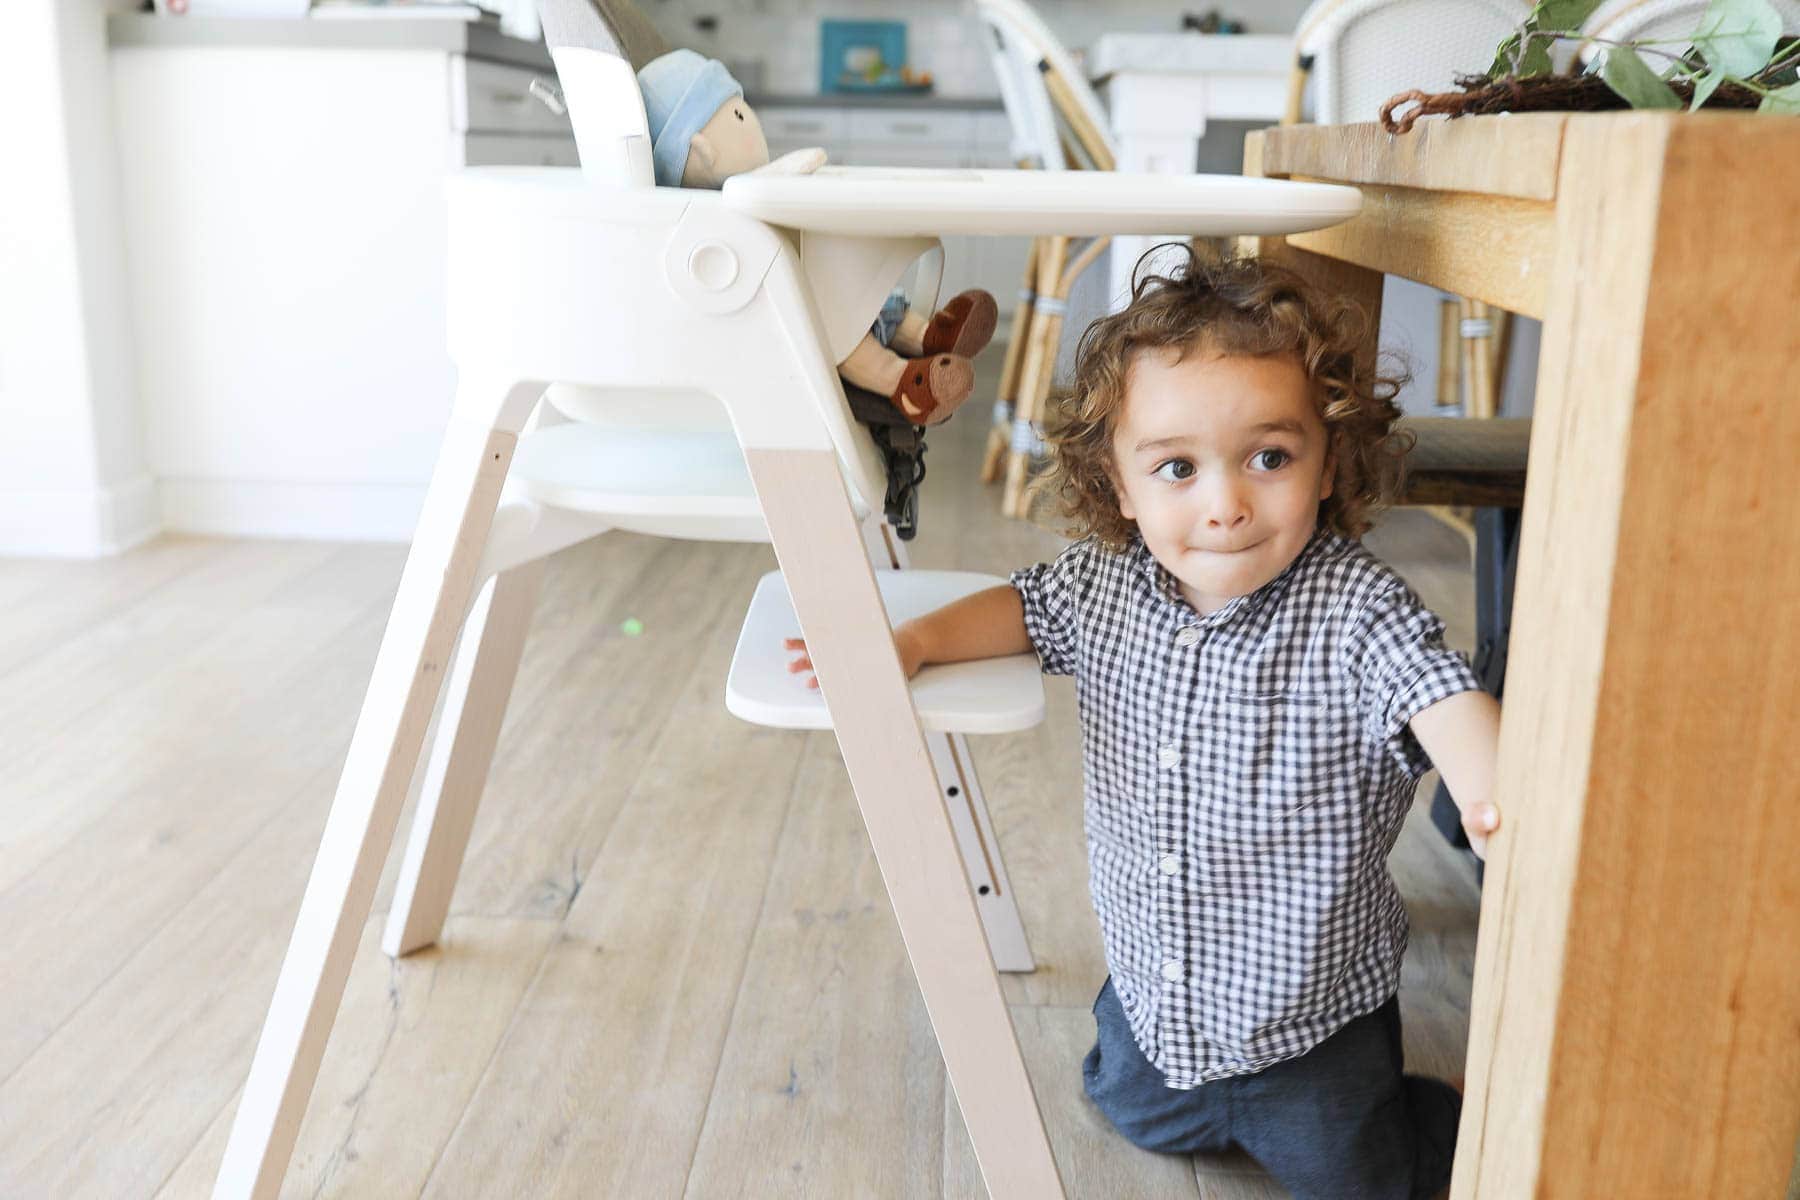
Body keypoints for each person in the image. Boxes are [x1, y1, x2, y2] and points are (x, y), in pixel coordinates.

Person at [787, 247, 1503, 1199]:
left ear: (1328, 460)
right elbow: (1019, 608)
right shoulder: (1107, 585)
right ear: (1121, 488)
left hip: (1311, 1031)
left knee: (1369, 1182)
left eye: (1270, 457)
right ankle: (1166, 1074)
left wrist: (1490, 776)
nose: (1225, 504)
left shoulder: (1354, 608)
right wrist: (913, 641)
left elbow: (1436, 688)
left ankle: (1432, 1111)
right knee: (1123, 1106)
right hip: (1156, 998)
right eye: (1176, 467)